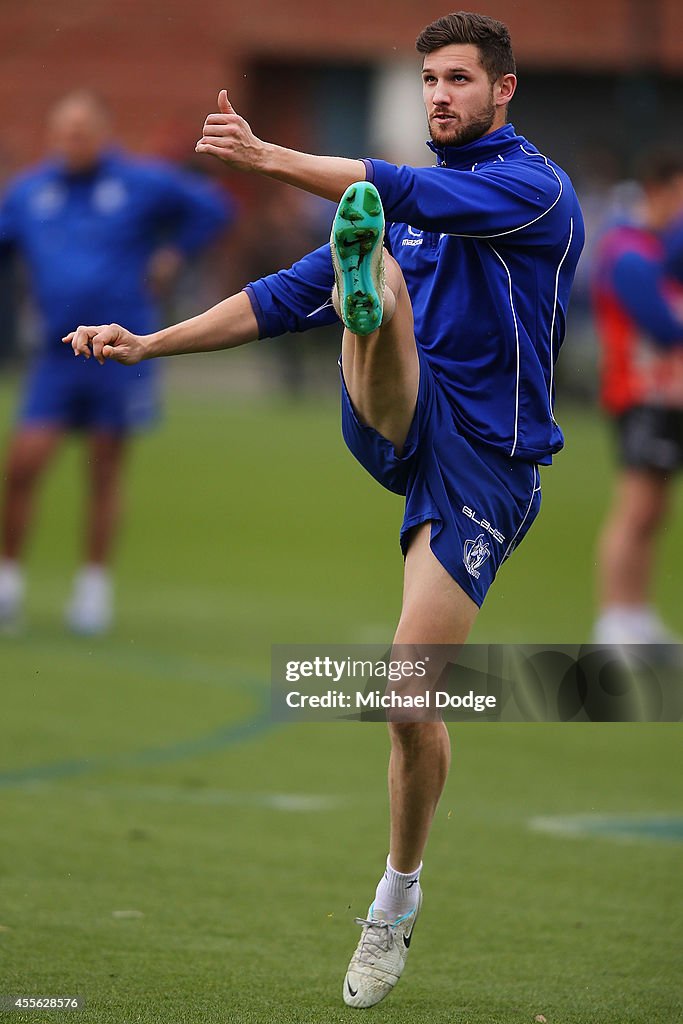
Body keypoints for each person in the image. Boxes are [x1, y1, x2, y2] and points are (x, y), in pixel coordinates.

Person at [65, 12, 584, 1007]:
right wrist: (146, 343)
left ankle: (393, 900)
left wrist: (261, 155)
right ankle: (365, 300)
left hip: (486, 469)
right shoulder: (397, 206)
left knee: (404, 699)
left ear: (502, 91)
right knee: (373, 271)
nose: (438, 95)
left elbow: (394, 187)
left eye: (459, 80)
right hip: (393, 417)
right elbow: (263, 300)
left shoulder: (532, 190)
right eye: (427, 79)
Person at [0, 91, 232, 634]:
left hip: (118, 348)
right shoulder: (31, 192)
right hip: (56, 352)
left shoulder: (141, 183)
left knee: (104, 465)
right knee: (25, 462)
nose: (73, 141)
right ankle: (8, 583)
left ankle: (92, 590)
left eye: (83, 131)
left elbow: (215, 207)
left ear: (103, 134)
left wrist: (175, 253)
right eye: (65, 132)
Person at [592, 153, 683, 646]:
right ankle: (613, 621)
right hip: (637, 393)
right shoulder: (628, 251)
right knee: (635, 507)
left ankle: (636, 615)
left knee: (655, 510)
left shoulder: (657, 248)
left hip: (665, 396)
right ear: (660, 190)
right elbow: (664, 326)